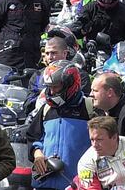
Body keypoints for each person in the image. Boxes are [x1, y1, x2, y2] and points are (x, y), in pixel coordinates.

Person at [27, 61, 91, 190]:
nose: (52, 91)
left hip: (77, 184)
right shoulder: (46, 109)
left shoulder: (90, 109)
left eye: (56, 86)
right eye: (49, 87)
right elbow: (32, 136)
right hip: (45, 183)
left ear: (70, 85)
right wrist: (37, 153)